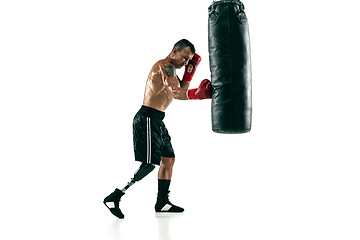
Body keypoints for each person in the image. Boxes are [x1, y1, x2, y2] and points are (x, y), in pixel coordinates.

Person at [103, 39, 213, 219]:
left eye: (188, 61)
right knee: (148, 165)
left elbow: (180, 92)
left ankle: (162, 202)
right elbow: (178, 93)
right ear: (175, 51)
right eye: (184, 58)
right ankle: (114, 196)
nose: (184, 63)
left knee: (169, 159)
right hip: (147, 118)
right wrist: (199, 94)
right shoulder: (165, 66)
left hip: (158, 121)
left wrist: (190, 71)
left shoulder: (173, 73)